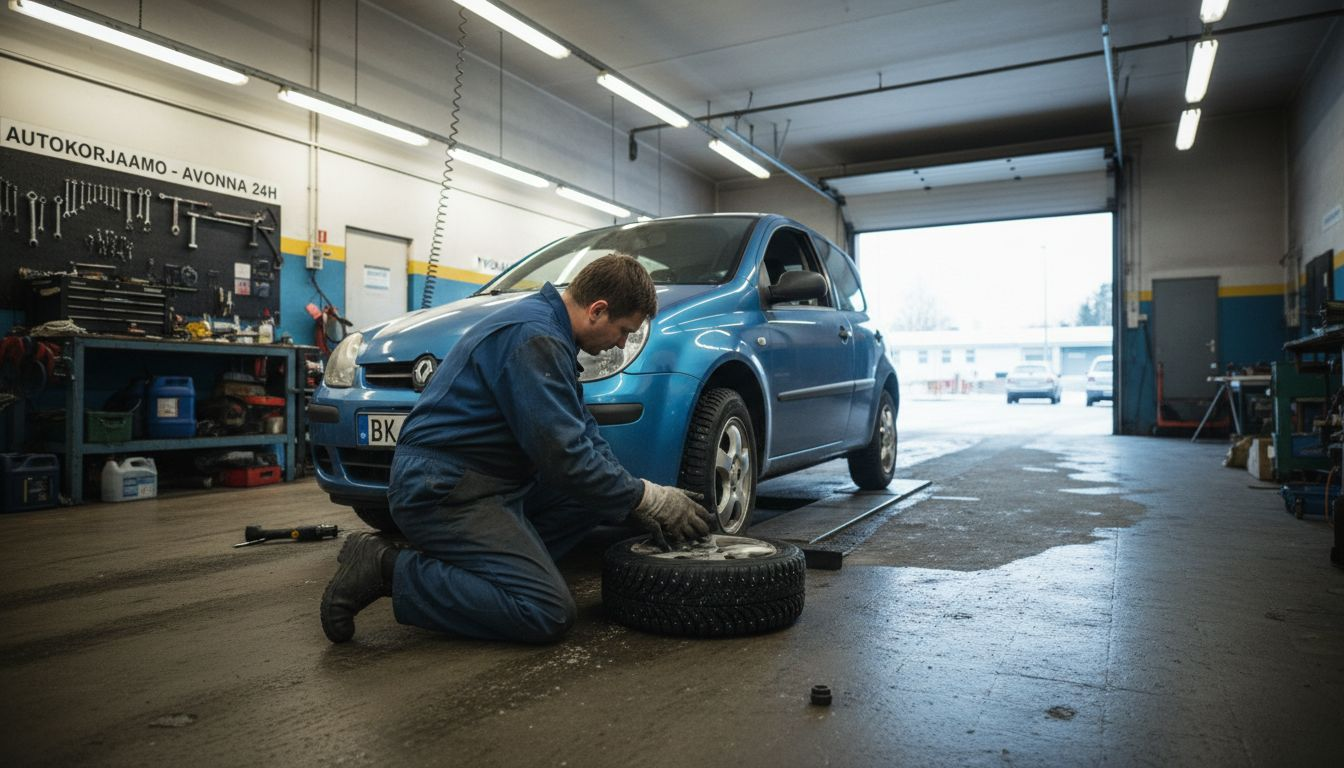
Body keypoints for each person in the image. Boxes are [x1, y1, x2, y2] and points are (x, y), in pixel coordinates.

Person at [320, 253, 714, 644]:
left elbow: (585, 438)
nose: (621, 343)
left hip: (481, 480)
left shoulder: (548, 330)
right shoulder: (536, 337)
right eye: (624, 331)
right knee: (545, 611)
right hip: (443, 489)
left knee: (596, 498)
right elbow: (566, 458)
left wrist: (636, 500)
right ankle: (386, 567)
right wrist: (646, 498)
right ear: (597, 310)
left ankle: (485, 565)